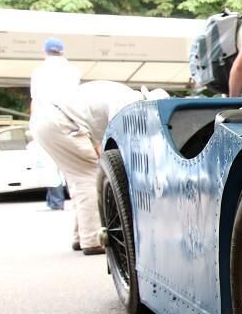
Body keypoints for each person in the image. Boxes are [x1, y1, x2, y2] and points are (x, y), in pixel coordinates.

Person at [31, 81, 168, 255]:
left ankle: (80, 236)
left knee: (78, 180)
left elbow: (102, 142)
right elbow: (119, 138)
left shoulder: (120, 93)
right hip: (61, 122)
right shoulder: (128, 102)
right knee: (87, 178)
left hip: (48, 120)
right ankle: (92, 240)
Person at [29, 37, 81, 211]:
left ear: (45, 52)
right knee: (72, 161)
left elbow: (35, 101)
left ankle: (55, 201)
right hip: (70, 118)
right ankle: (76, 198)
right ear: (62, 52)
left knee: (50, 162)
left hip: (46, 119)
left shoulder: (39, 71)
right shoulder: (73, 70)